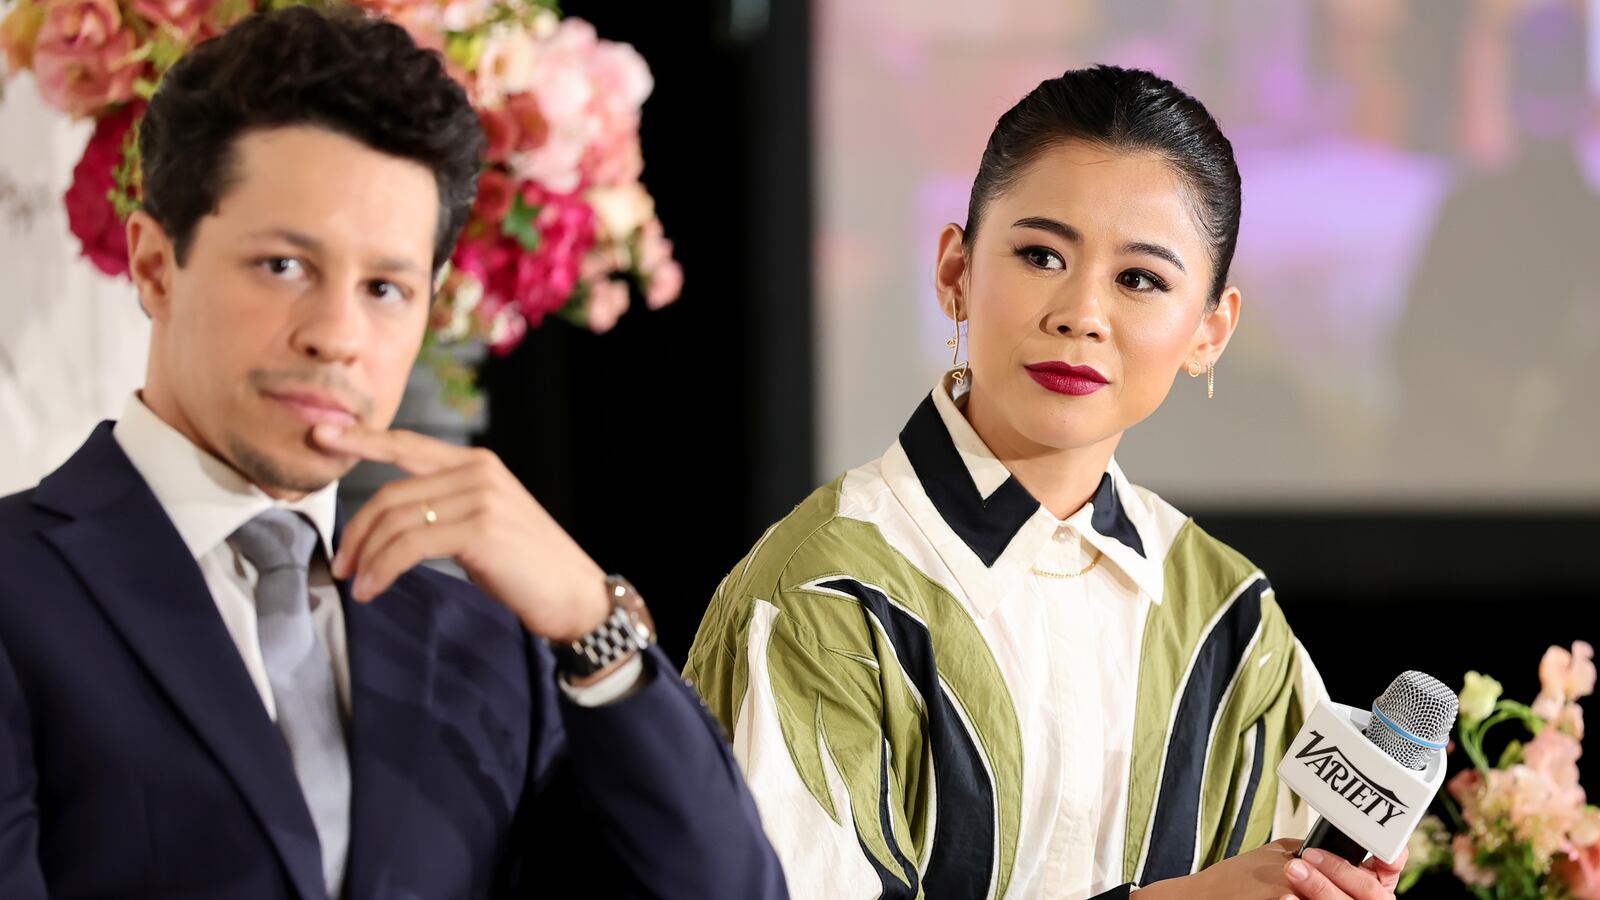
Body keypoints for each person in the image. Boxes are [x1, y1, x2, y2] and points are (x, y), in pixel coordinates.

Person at [0, 7, 786, 898]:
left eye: (384, 287)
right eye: (283, 266)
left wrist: (587, 622)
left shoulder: (492, 652)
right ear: (153, 265)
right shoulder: (19, 588)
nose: (337, 335)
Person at [686, 66, 1406, 900]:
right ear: (956, 271)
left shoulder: (1231, 619)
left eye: (1140, 279)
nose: (1081, 312)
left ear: (1210, 331)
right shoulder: (827, 591)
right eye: (1040, 255)